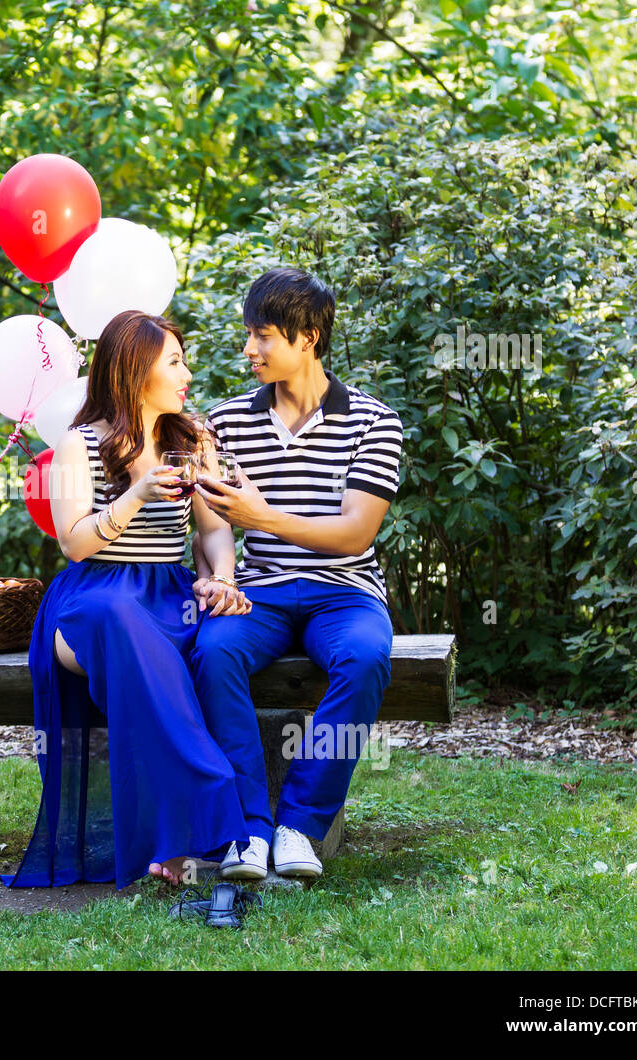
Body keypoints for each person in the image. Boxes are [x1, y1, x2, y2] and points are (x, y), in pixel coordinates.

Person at [0, 309, 273, 892]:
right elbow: (74, 542)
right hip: (95, 595)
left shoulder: (192, 439)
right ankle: (203, 807)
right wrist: (136, 495)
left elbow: (214, 529)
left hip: (169, 591)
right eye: (175, 362)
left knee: (204, 647)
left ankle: (177, 835)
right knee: (125, 621)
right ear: (133, 371)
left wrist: (222, 579)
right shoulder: (81, 444)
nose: (187, 374)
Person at [188, 266, 404, 878]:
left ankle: (299, 827)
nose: (248, 349)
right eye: (247, 334)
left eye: (263, 336)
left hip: (346, 594)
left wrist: (265, 514)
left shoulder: (373, 421)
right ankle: (247, 831)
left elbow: (356, 534)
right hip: (259, 593)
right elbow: (213, 525)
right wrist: (221, 576)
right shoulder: (224, 422)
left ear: (307, 337)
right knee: (214, 653)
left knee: (364, 659)